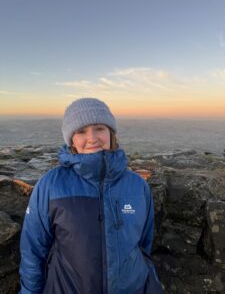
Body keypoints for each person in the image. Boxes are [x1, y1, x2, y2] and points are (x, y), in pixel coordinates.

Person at [19, 98, 163, 294]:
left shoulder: (137, 185)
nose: (92, 138)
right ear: (71, 140)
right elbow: (33, 251)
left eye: (99, 128)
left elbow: (144, 244)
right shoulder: (51, 185)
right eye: (81, 131)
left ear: (111, 133)